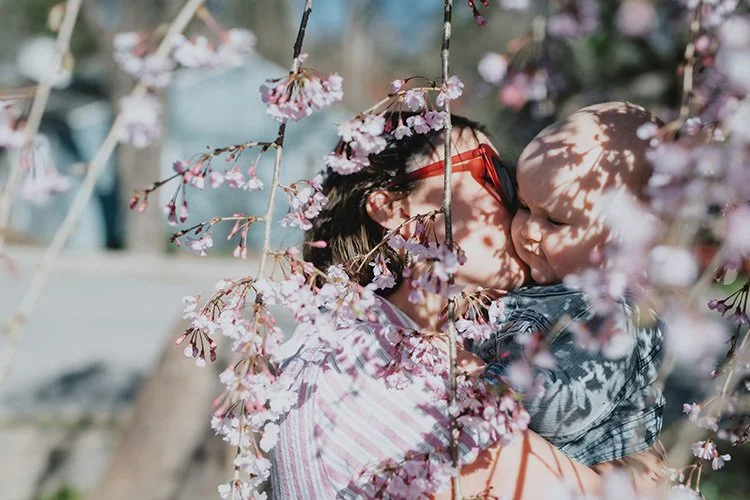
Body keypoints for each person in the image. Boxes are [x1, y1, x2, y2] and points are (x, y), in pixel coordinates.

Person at [270, 112, 602, 498]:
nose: (516, 208)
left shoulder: (392, 343)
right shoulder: (366, 359)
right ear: (396, 211)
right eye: (494, 176)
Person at [475, 102, 667, 489]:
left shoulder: (611, 313)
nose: (528, 231)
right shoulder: (553, 291)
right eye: (523, 207)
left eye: (555, 220)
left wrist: (475, 375)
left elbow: (559, 411)